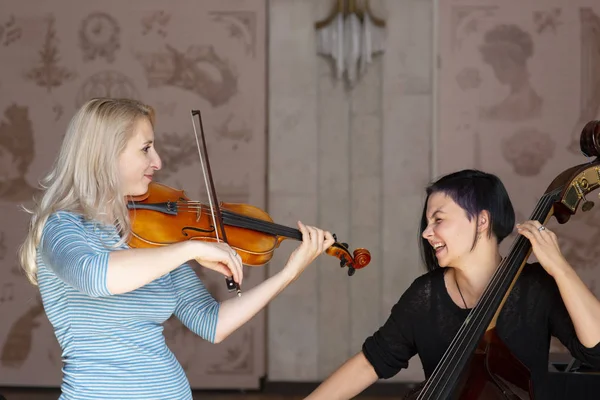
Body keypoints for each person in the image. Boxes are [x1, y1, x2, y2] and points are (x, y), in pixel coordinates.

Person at [18, 98, 335, 400]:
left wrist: (289, 274)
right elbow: (94, 276)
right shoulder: (62, 228)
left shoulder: (150, 235)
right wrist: (190, 248)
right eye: (146, 149)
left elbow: (212, 322)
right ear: (106, 154)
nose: (158, 161)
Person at [306, 169, 600, 399]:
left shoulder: (535, 287)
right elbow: (371, 362)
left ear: (482, 221)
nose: (426, 233)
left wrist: (560, 268)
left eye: (438, 220)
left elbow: (595, 349)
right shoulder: (425, 296)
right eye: (427, 223)